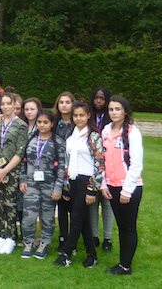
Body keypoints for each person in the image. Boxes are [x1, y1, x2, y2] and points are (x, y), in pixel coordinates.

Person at [54, 100, 104, 268]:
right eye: (75, 115)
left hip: (86, 182)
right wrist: (66, 185)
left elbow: (99, 164)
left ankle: (67, 253)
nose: (78, 118)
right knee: (82, 221)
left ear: (88, 115)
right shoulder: (71, 135)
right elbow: (68, 162)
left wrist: (92, 189)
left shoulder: (93, 136)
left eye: (82, 115)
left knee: (76, 217)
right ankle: (92, 255)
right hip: (73, 181)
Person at [102, 96, 143, 276]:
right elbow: (101, 160)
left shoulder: (133, 132)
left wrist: (127, 190)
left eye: (117, 109)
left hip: (129, 188)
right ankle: (122, 262)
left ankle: (126, 266)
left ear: (125, 111)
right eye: (111, 109)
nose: (114, 112)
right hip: (111, 186)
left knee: (128, 227)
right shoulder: (105, 130)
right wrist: (104, 184)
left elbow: (136, 164)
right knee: (121, 226)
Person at [0, 92, 28, 255]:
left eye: (8, 103)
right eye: (2, 104)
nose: (5, 106)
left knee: (9, 205)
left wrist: (4, 171)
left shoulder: (21, 125)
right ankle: (0, 236)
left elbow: (20, 152)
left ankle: (10, 237)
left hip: (10, 172)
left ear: (14, 104)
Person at [20, 110, 66, 260]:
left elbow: (61, 167)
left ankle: (44, 244)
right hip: (31, 184)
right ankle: (28, 242)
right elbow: (23, 162)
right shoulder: (31, 138)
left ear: (52, 124)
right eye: (39, 122)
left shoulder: (58, 142)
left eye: (45, 122)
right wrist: (23, 180)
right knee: (29, 216)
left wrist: (58, 187)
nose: (42, 125)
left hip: (49, 185)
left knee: (47, 217)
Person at [89, 87, 114, 251]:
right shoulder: (88, 116)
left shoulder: (110, 120)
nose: (98, 101)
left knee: (107, 205)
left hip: (109, 168)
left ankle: (107, 237)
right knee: (92, 204)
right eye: (96, 98)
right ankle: (94, 236)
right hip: (91, 167)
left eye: (102, 98)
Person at [53, 90, 75, 253]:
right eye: (61, 102)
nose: (64, 105)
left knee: (74, 208)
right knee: (61, 207)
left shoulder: (78, 123)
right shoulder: (54, 124)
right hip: (59, 169)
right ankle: (62, 238)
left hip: (74, 169)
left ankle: (73, 240)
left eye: (67, 102)